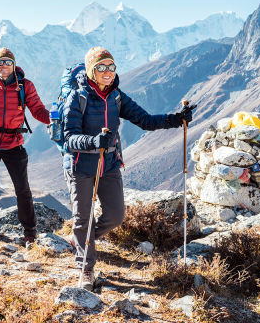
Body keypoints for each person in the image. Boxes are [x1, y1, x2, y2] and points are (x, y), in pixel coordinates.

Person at [62, 46, 195, 290]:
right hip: (82, 166)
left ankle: (81, 239)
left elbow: (145, 120)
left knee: (116, 215)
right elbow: (69, 137)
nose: (107, 72)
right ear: (92, 70)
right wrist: (93, 142)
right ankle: (86, 268)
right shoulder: (77, 98)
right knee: (83, 218)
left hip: (109, 164)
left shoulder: (116, 97)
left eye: (111, 67)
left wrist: (176, 119)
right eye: (101, 67)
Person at [0, 47, 50, 245]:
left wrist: (53, 119)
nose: (3, 66)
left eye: (7, 62)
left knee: (22, 189)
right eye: (0, 62)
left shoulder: (25, 86)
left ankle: (30, 231)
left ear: (14, 65)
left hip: (14, 143)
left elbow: (37, 109)